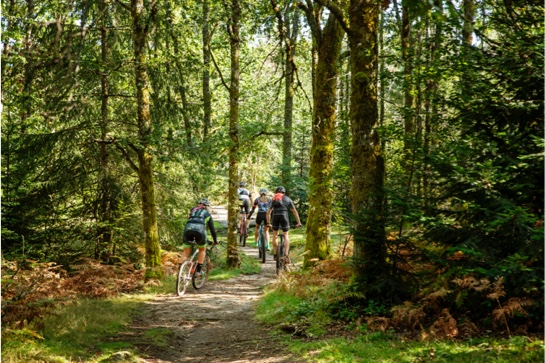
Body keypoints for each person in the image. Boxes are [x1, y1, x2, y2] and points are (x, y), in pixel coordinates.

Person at [183, 198, 218, 276]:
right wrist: (215, 240)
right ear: (207, 206)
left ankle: (180, 271)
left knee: (185, 252)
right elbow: (212, 230)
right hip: (200, 231)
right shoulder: (207, 214)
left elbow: (189, 218)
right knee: (202, 250)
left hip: (188, 230)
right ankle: (198, 272)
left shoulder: (193, 210)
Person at [266, 186, 302, 262]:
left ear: (276, 192)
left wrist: (268, 223)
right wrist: (299, 222)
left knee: (275, 234)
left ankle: (275, 254)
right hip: (284, 216)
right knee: (286, 235)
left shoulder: (274, 199)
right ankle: (286, 256)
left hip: (275, 216)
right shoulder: (288, 199)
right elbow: (294, 211)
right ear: (284, 192)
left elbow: (268, 212)